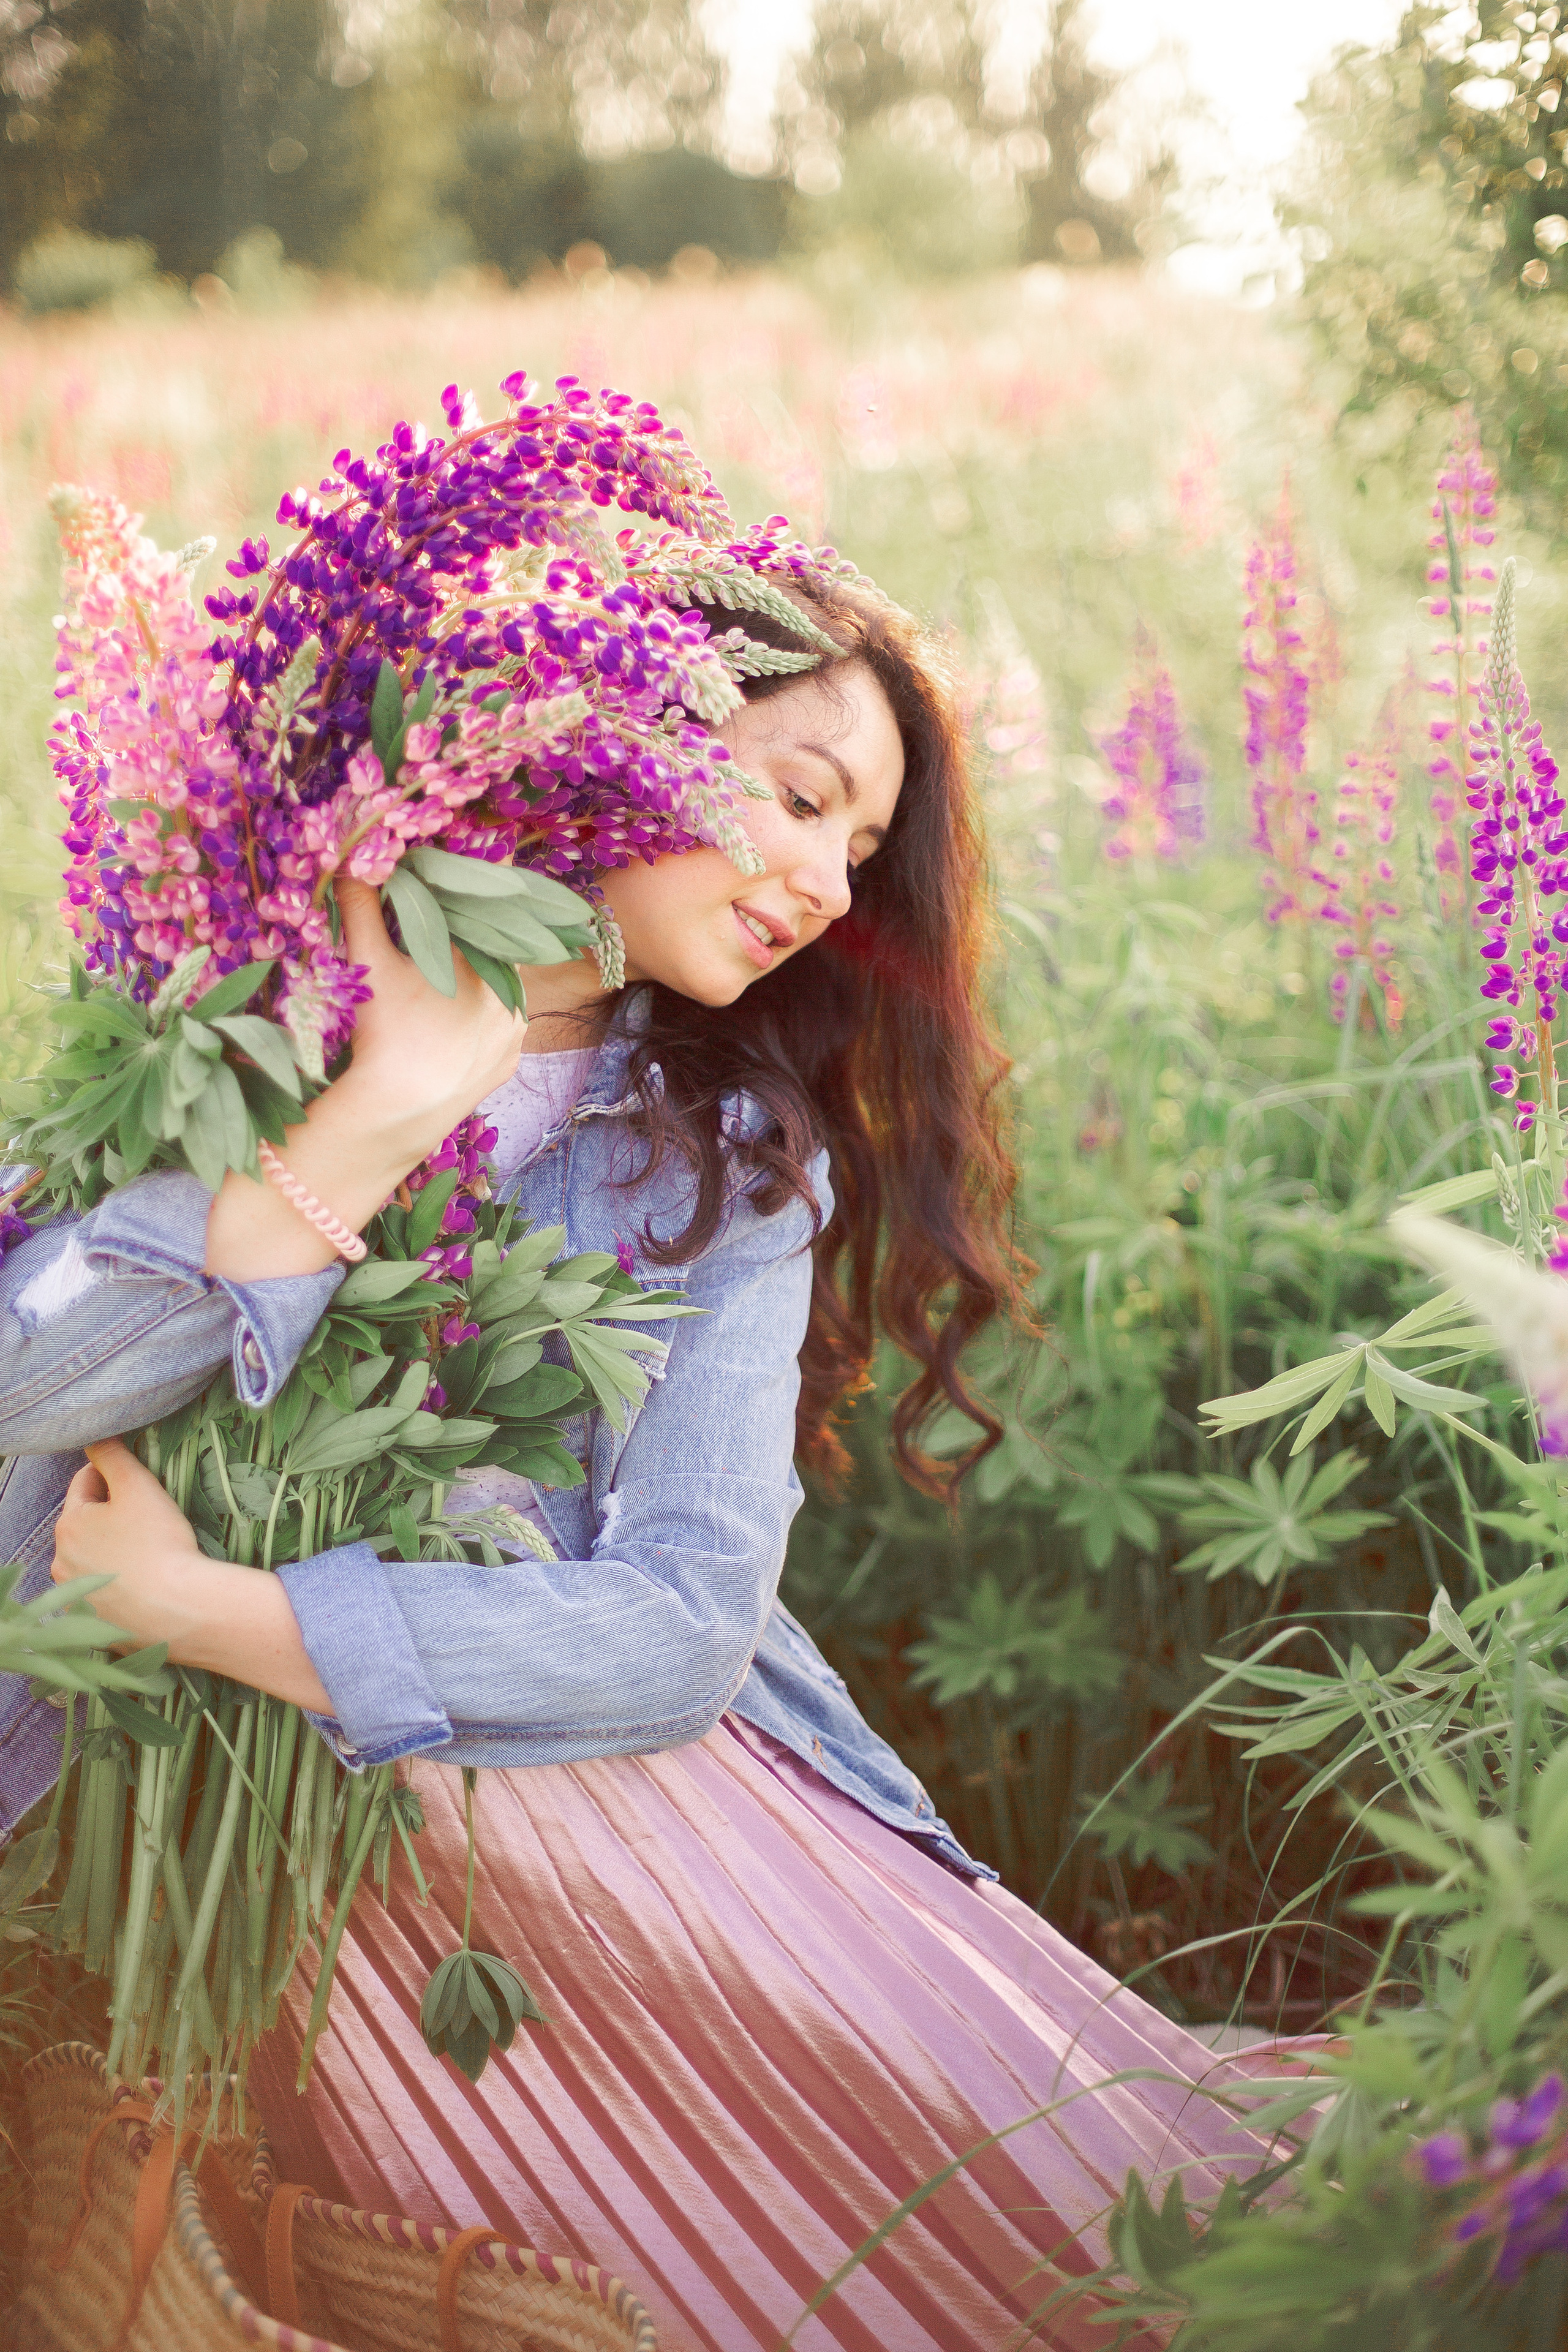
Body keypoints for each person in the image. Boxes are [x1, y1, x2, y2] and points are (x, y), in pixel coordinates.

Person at [2, 582, 1275, 2352]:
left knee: (1126, 2258)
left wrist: (215, 1610)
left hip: (585, 1818)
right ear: (605, 737)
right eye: (804, 796)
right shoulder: (245, 1015)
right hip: (191, 1853)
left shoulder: (738, 1157)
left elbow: (681, 1624)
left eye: (868, 842)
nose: (835, 884)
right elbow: (27, 1384)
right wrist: (381, 1113)